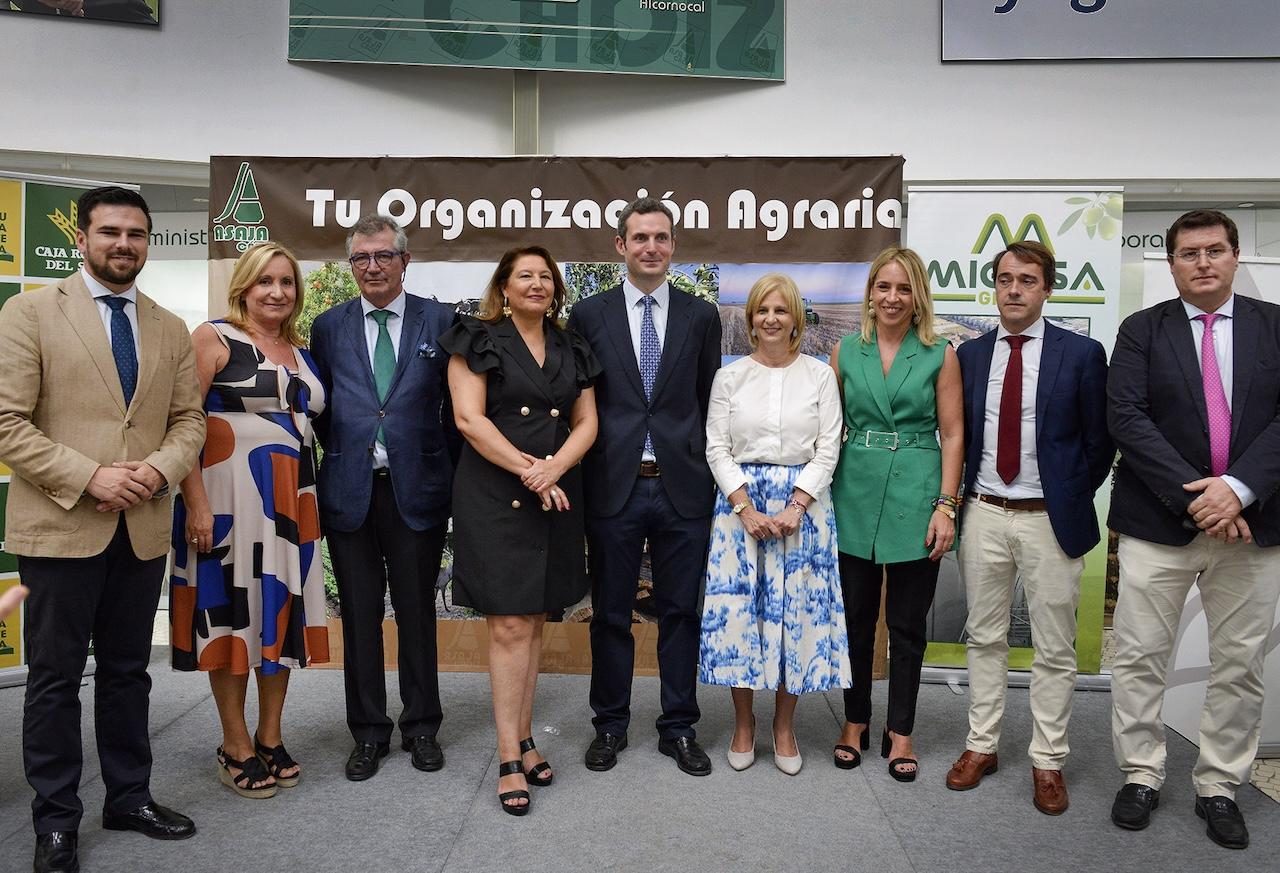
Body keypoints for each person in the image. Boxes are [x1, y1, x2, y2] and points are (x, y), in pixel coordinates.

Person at [0, 187, 204, 873]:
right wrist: (90, 475)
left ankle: (130, 796)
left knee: (126, 673)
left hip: (142, 525)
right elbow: (7, 423)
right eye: (110, 231)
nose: (125, 244)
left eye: (137, 234)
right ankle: (56, 821)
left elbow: (189, 421)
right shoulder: (28, 312)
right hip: (61, 525)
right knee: (55, 677)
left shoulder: (171, 327)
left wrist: (157, 470)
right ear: (81, 238)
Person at [1107, 209, 1280, 850]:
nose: (1203, 262)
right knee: (1139, 656)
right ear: (1172, 263)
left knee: (1238, 664)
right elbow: (1126, 417)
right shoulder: (1141, 331)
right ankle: (1142, 773)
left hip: (1254, 526)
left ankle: (1219, 786)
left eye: (1215, 251)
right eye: (1188, 253)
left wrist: (1235, 491)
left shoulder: (1275, 328)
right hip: (1160, 521)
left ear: (1236, 258)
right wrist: (1200, 501)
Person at [945, 241, 1112, 814]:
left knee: (1054, 647)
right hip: (985, 511)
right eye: (1004, 279)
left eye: (1026, 280)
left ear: (1046, 289)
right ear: (993, 287)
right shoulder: (968, 356)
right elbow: (959, 437)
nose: (1013, 290)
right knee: (985, 636)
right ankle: (981, 746)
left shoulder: (1083, 354)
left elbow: (1099, 443)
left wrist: (1065, 496)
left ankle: (1048, 760)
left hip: (1049, 518)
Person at [440, 245, 600, 815]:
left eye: (545, 277)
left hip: (557, 494)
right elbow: (469, 420)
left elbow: (587, 422)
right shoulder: (476, 337)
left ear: (556, 288)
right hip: (498, 496)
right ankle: (509, 755)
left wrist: (556, 467)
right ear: (503, 287)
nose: (537, 284)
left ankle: (527, 736)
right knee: (508, 623)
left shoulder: (571, 345)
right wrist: (534, 471)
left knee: (532, 620)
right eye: (524, 276)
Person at [566, 197, 722, 777]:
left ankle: (678, 727)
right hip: (614, 486)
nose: (650, 248)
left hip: (684, 487)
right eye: (640, 238)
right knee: (610, 613)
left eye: (661, 238)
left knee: (682, 610)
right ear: (620, 247)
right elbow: (580, 403)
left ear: (673, 246)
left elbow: (710, 404)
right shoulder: (589, 315)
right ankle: (609, 725)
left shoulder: (700, 316)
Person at [168, 242, 329, 799]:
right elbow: (181, 422)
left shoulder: (302, 352)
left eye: (286, 282)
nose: (277, 292)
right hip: (225, 503)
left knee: (277, 618)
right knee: (232, 617)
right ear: (244, 287)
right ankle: (233, 743)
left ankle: (270, 735)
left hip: (289, 506)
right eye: (265, 282)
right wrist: (195, 503)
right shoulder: (214, 337)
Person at [309, 214, 458, 782]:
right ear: (351, 265)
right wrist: (352, 453)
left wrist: (440, 473)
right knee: (361, 617)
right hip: (351, 492)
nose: (372, 267)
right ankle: (368, 733)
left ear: (405, 260)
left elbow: (453, 412)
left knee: (418, 614)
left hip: (417, 492)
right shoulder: (327, 327)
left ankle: (422, 727)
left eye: (383, 256)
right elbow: (325, 412)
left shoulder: (439, 321)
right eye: (360, 258)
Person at [699, 273, 848, 776]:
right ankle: (745, 726)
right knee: (741, 620)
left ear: (796, 319)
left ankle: (784, 728)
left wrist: (796, 505)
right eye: (763, 310)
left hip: (803, 512)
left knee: (795, 622)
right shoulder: (730, 377)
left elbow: (830, 446)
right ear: (751, 319)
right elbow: (716, 447)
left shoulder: (820, 377)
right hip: (739, 512)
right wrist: (745, 507)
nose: (771, 319)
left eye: (781, 310)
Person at [828, 246, 963, 782]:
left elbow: (952, 434)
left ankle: (901, 729)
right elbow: (824, 430)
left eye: (903, 288)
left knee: (907, 624)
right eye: (883, 287)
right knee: (855, 619)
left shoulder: (939, 354)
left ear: (918, 297)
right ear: (869, 293)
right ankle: (855, 721)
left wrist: (946, 506)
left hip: (918, 490)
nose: (892, 297)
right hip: (853, 491)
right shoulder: (845, 350)